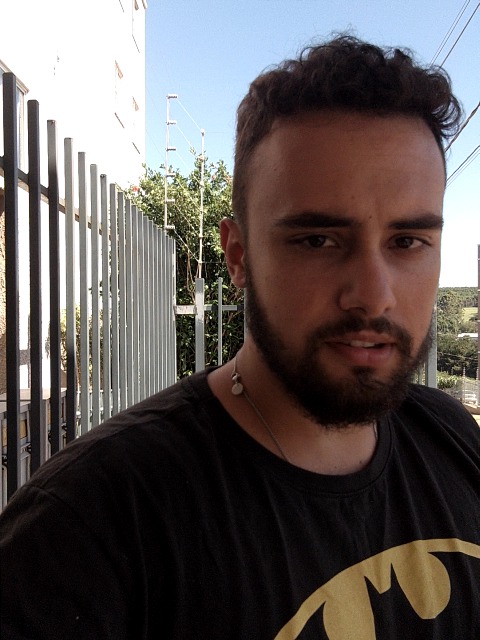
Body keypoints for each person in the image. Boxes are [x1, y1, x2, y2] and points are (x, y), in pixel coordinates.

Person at [1, 35, 479, 640]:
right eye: (317, 240)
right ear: (237, 254)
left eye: (407, 241)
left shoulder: (453, 439)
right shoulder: (86, 532)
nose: (373, 294)